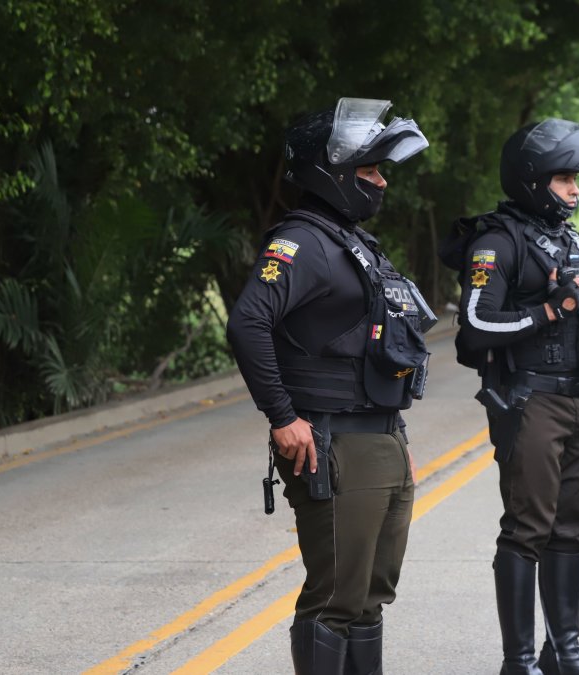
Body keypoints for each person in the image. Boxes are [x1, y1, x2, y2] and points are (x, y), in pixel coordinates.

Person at [226, 98, 432, 674]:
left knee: (370, 596)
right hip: (334, 442)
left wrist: (397, 436)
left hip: (380, 438)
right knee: (336, 598)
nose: (382, 181)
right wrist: (282, 415)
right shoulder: (303, 242)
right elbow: (248, 321)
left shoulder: (352, 242)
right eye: (370, 171)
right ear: (333, 172)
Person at [449, 119, 579, 675]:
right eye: (563, 179)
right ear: (531, 180)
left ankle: (564, 651)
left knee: (573, 525)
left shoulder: (570, 239)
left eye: (576, 179)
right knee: (528, 528)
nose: (575, 189)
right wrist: (549, 309)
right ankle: (519, 659)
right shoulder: (498, 242)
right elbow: (474, 328)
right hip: (531, 402)